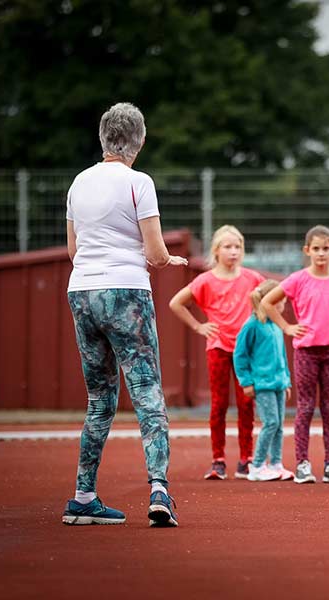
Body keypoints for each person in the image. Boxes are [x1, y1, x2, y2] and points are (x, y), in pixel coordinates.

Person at [62, 102, 186, 527]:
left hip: (81, 291)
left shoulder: (78, 183)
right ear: (141, 140)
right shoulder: (140, 182)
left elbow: (74, 250)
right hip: (126, 291)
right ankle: (159, 491)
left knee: (99, 400)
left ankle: (82, 496)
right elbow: (154, 251)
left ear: (102, 138)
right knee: (147, 391)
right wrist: (170, 261)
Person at [260, 225, 329, 484]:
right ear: (307, 251)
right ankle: (302, 463)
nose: (321, 254)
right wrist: (287, 326)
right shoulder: (298, 279)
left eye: (326, 248)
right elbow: (267, 301)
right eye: (316, 249)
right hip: (306, 352)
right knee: (304, 408)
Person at [169, 225, 264, 480]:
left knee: (246, 404)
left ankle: (247, 458)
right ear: (216, 250)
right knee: (219, 404)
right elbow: (176, 303)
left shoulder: (253, 278)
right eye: (228, 247)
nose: (233, 252)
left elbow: (273, 299)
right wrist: (198, 326)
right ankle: (218, 460)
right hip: (219, 348)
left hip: (247, 351)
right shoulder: (205, 280)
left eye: (238, 247)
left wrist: (261, 323)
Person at [233, 279, 294, 482]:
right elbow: (240, 355)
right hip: (263, 384)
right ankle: (257, 465)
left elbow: (282, 356)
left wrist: (286, 381)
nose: (283, 305)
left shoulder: (276, 325)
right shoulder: (252, 325)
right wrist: (246, 382)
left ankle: (276, 464)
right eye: (280, 301)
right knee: (271, 423)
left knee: (279, 425)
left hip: (278, 383)